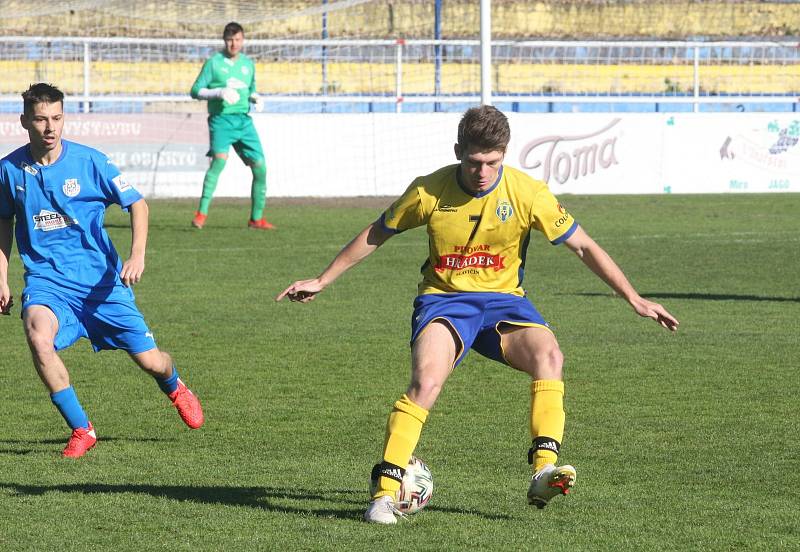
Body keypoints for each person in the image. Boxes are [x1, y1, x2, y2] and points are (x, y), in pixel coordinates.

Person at [276, 105, 679, 524]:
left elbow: (584, 246)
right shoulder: (428, 191)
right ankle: (383, 494)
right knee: (426, 382)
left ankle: (543, 470)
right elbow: (379, 231)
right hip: (444, 302)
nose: (483, 171)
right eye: (474, 162)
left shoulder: (528, 193)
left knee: (550, 357)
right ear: (458, 152)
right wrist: (324, 279)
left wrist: (634, 298)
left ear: (504, 155)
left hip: (505, 304)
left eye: (493, 162)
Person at [0, 83, 205, 459]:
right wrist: (1, 277)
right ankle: (82, 428)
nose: (50, 127)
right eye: (42, 119)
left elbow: (138, 205)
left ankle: (175, 386)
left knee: (151, 361)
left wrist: (137, 255)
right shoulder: (8, 170)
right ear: (24, 121)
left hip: (102, 285)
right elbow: (3, 222)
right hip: (48, 284)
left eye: (57, 118)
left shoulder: (91, 162)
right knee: (37, 336)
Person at [189, 21, 274, 230]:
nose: (233, 44)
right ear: (224, 40)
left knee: (261, 168)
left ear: (243, 40)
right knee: (218, 163)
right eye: (229, 40)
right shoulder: (214, 63)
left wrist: (255, 97)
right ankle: (201, 214)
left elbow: (251, 88)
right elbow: (195, 90)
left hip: (244, 122)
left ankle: (256, 219)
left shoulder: (248, 64)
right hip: (221, 120)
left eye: (237, 39)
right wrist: (217, 92)